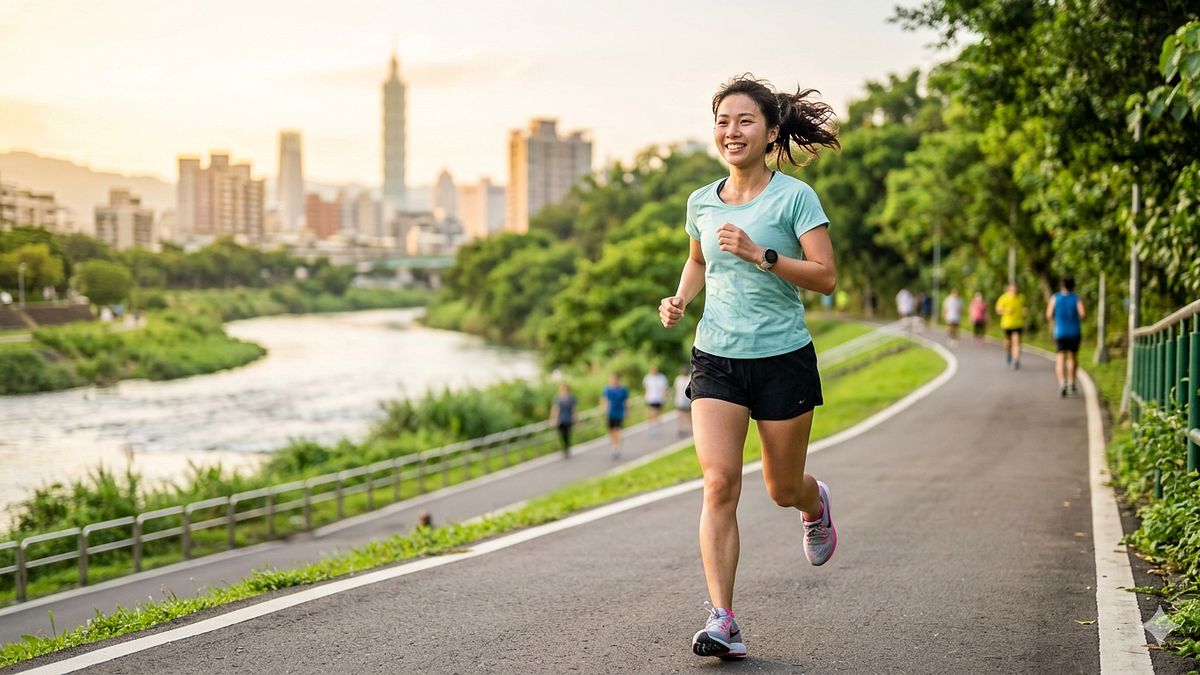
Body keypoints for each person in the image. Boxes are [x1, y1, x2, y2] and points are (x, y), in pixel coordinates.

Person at [658, 74, 839, 660]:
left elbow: (826, 278)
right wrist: (681, 298)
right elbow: (697, 260)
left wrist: (762, 255)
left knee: (781, 487)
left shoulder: (795, 198)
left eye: (744, 121)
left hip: (782, 357)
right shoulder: (701, 202)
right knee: (719, 484)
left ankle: (814, 505)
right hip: (718, 357)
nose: (731, 132)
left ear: (771, 133)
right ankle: (723, 619)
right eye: (722, 122)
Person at [1046, 276, 1086, 397]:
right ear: (1073, 285)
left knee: (1061, 356)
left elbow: (1048, 314)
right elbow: (1083, 314)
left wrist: (1057, 320)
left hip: (1060, 332)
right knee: (1072, 357)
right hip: (1074, 332)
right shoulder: (1076, 298)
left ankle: (1062, 383)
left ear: (1061, 285)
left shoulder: (1055, 298)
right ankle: (1071, 383)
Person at [995, 282, 1027, 369]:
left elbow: (1024, 307)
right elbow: (998, 310)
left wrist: (1024, 311)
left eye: (1015, 289)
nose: (1014, 291)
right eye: (1012, 289)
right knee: (1007, 343)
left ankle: (1016, 360)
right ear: (1009, 289)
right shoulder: (1004, 298)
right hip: (1007, 324)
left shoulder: (1021, 298)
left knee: (1016, 342)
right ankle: (1009, 353)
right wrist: (1005, 311)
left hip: (1018, 324)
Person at [602, 372, 629, 459]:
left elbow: (625, 401)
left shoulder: (622, 390)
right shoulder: (607, 390)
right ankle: (613, 447)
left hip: (619, 413)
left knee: (617, 431)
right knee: (611, 431)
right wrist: (604, 410)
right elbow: (605, 400)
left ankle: (617, 448)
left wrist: (626, 411)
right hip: (610, 413)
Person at [549, 382, 577, 456]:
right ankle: (565, 448)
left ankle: (567, 447)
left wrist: (576, 417)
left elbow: (574, 409)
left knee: (567, 434)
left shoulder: (571, 398)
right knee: (562, 434)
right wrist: (553, 419)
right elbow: (555, 409)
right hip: (560, 420)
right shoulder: (557, 398)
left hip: (568, 419)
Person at [642, 364, 670, 432]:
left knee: (658, 413)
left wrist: (664, 397)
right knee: (651, 412)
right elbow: (645, 388)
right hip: (650, 398)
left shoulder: (661, 378)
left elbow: (664, 389)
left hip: (659, 398)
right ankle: (652, 426)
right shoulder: (647, 378)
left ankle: (657, 426)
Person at [674, 366, 692, 438]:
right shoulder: (679, 379)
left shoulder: (689, 378)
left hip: (687, 400)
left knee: (688, 416)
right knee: (681, 415)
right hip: (680, 400)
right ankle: (681, 429)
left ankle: (691, 429)